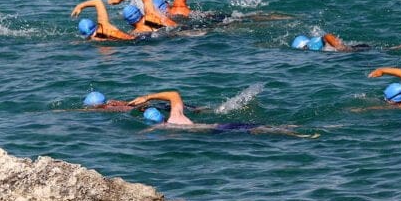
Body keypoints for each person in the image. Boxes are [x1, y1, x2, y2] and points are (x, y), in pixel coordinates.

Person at [126, 90, 319, 137]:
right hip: (220, 127)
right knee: (259, 128)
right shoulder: (177, 116)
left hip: (218, 133)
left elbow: (145, 133)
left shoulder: (164, 127)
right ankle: (294, 129)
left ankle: (297, 134)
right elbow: (174, 94)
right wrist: (148, 97)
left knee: (260, 131)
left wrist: (135, 135)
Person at [291, 29, 401, 52]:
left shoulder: (310, 47)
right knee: (394, 49)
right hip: (354, 49)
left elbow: (327, 35)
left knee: (395, 50)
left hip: (353, 50)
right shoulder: (310, 45)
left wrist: (341, 48)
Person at [107, 0, 177, 33]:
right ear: (140, 12)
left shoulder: (136, 33)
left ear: (129, 22)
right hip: (182, 30)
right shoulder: (152, 13)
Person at [71, 0, 136, 41]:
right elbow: (98, 2)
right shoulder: (103, 24)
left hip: (136, 41)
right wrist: (80, 6)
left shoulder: (100, 35)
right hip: (135, 38)